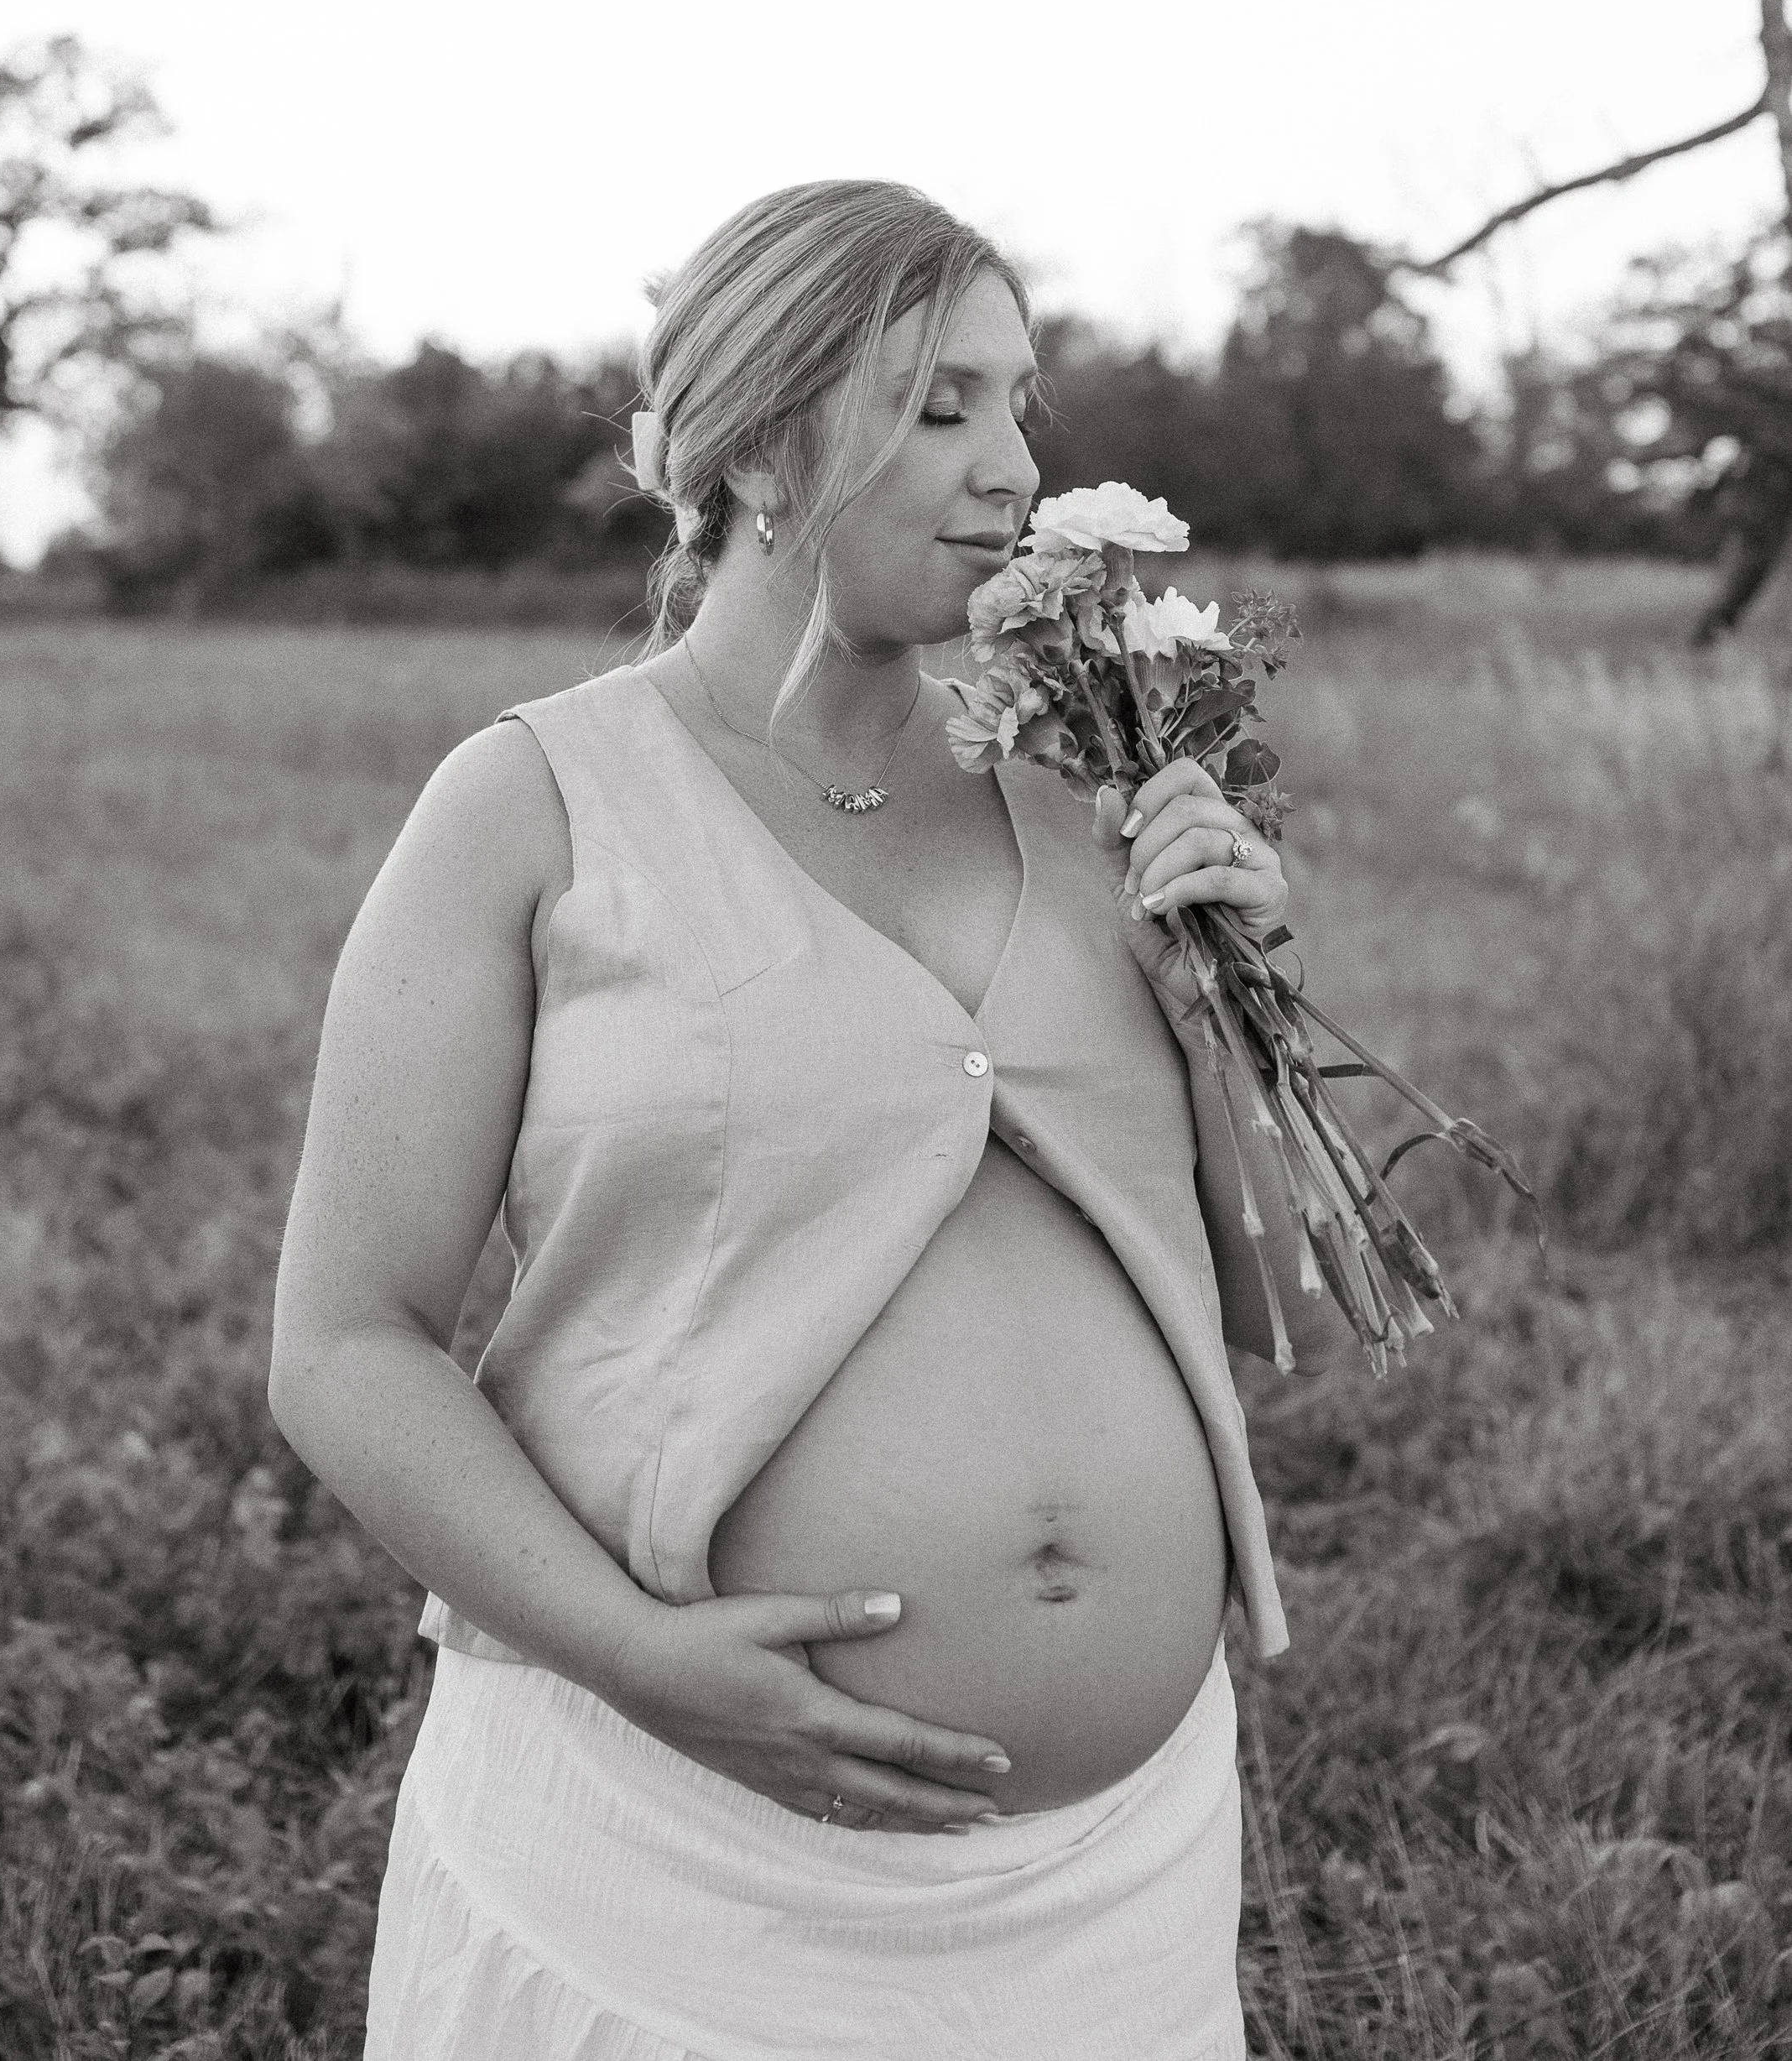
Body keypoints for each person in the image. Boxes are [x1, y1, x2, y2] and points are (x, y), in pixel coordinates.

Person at [267, 180, 1340, 2061]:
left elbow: (1274, 1306)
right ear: (757, 443)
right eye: (936, 405)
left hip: (1109, 1898)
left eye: (1019, 403)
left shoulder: (1100, 796)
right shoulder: (525, 806)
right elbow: (344, 1344)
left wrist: (1217, 1007)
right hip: (674, 1875)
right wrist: (634, 1657)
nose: (1007, 466)